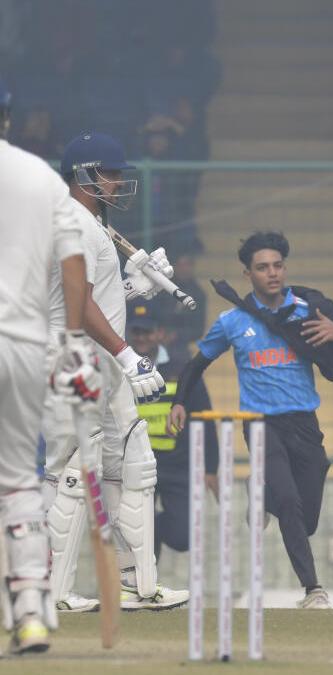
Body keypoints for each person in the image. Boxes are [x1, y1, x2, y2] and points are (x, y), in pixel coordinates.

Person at [167, 231, 333, 609]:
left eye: (278, 265)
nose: (273, 273)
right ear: (248, 274)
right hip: (261, 424)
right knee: (290, 503)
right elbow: (196, 364)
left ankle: (259, 493)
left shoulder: (308, 308)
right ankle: (313, 590)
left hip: (304, 423)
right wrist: (179, 403)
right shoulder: (232, 321)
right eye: (263, 267)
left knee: (304, 518)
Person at [42, 131, 188, 613]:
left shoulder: (91, 222)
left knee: (130, 466)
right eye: (111, 172)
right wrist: (127, 353)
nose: (119, 181)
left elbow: (94, 297)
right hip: (80, 362)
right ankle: (52, 592)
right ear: (84, 174)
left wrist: (134, 287)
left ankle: (138, 585)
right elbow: (77, 305)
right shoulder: (75, 225)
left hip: (99, 362)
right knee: (69, 470)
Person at [0, 77, 96, 654]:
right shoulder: (40, 178)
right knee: (18, 481)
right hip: (25, 346)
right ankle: (32, 609)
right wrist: (73, 341)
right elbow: (74, 265)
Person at [124, 300, 217, 560]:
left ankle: (148, 526)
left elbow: (204, 417)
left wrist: (211, 468)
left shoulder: (183, 367)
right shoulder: (120, 369)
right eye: (137, 332)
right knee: (140, 543)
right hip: (134, 464)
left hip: (178, 465)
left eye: (148, 331)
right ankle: (147, 591)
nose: (142, 338)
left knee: (183, 537)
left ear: (161, 334)